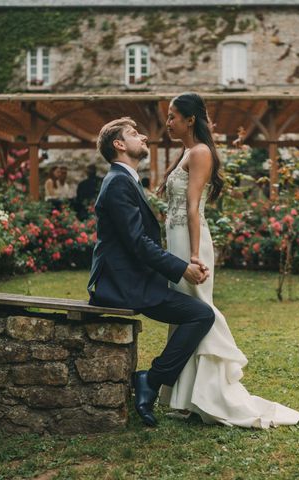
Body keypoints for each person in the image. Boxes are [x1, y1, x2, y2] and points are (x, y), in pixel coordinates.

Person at [159, 92, 299, 428]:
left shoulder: (201, 152)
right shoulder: (186, 151)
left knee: (197, 310)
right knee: (183, 312)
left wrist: (194, 255)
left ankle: (212, 394)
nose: (168, 123)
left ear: (190, 119)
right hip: (176, 241)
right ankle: (186, 396)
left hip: (190, 243)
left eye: (172, 117)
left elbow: (194, 207)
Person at [87, 117, 215, 427]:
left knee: (199, 313)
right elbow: (137, 243)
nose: (144, 136)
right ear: (119, 145)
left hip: (133, 278)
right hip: (123, 284)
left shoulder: (124, 179)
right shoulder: (118, 181)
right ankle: (152, 379)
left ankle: (152, 379)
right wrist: (181, 268)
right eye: (134, 134)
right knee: (201, 315)